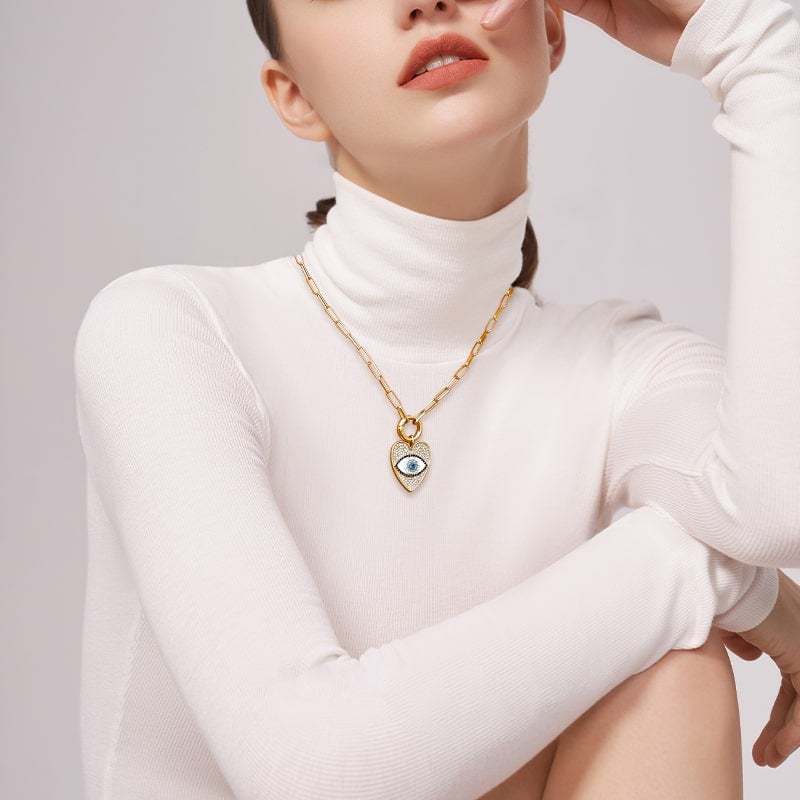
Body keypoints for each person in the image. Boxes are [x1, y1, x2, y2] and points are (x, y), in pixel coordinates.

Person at [72, 0, 800, 797]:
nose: (421, 1)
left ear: (552, 28)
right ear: (295, 96)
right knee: (666, 625)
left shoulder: (621, 367)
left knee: (673, 668)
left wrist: (758, 44)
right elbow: (315, 772)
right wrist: (700, 569)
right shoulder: (173, 329)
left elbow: (772, 512)